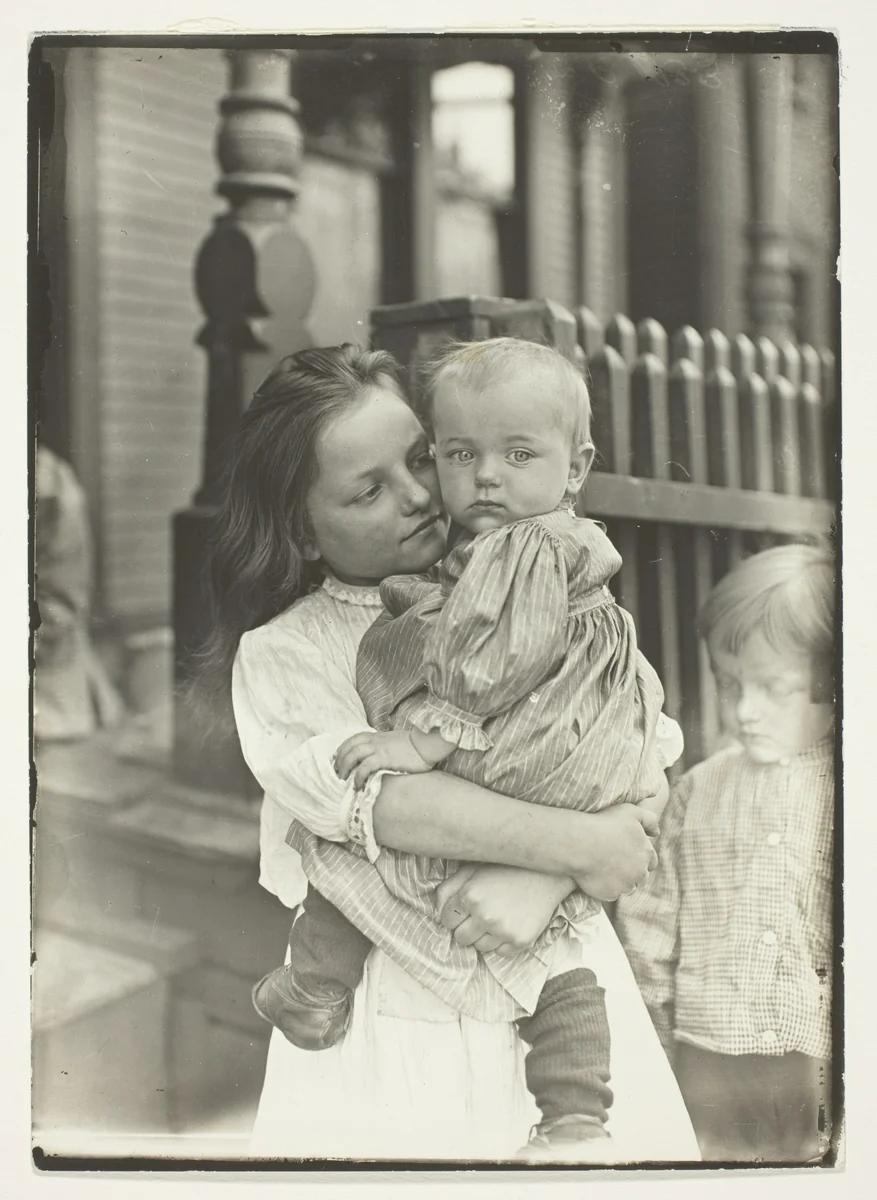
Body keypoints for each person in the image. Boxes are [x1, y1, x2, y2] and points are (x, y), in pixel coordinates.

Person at [201, 343, 699, 1161]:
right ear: (300, 526)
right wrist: (584, 846)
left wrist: (543, 879)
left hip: (550, 968)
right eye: (368, 490)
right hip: (395, 1002)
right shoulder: (286, 652)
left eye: (421, 459)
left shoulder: (534, 585)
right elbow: (386, 803)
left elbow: (642, 738)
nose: (417, 498)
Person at [615, 543, 835, 1164]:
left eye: (774, 688)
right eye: (729, 683)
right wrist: (652, 1050)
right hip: (705, 1063)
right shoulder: (696, 790)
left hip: (820, 1063)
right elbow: (650, 928)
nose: (744, 711)